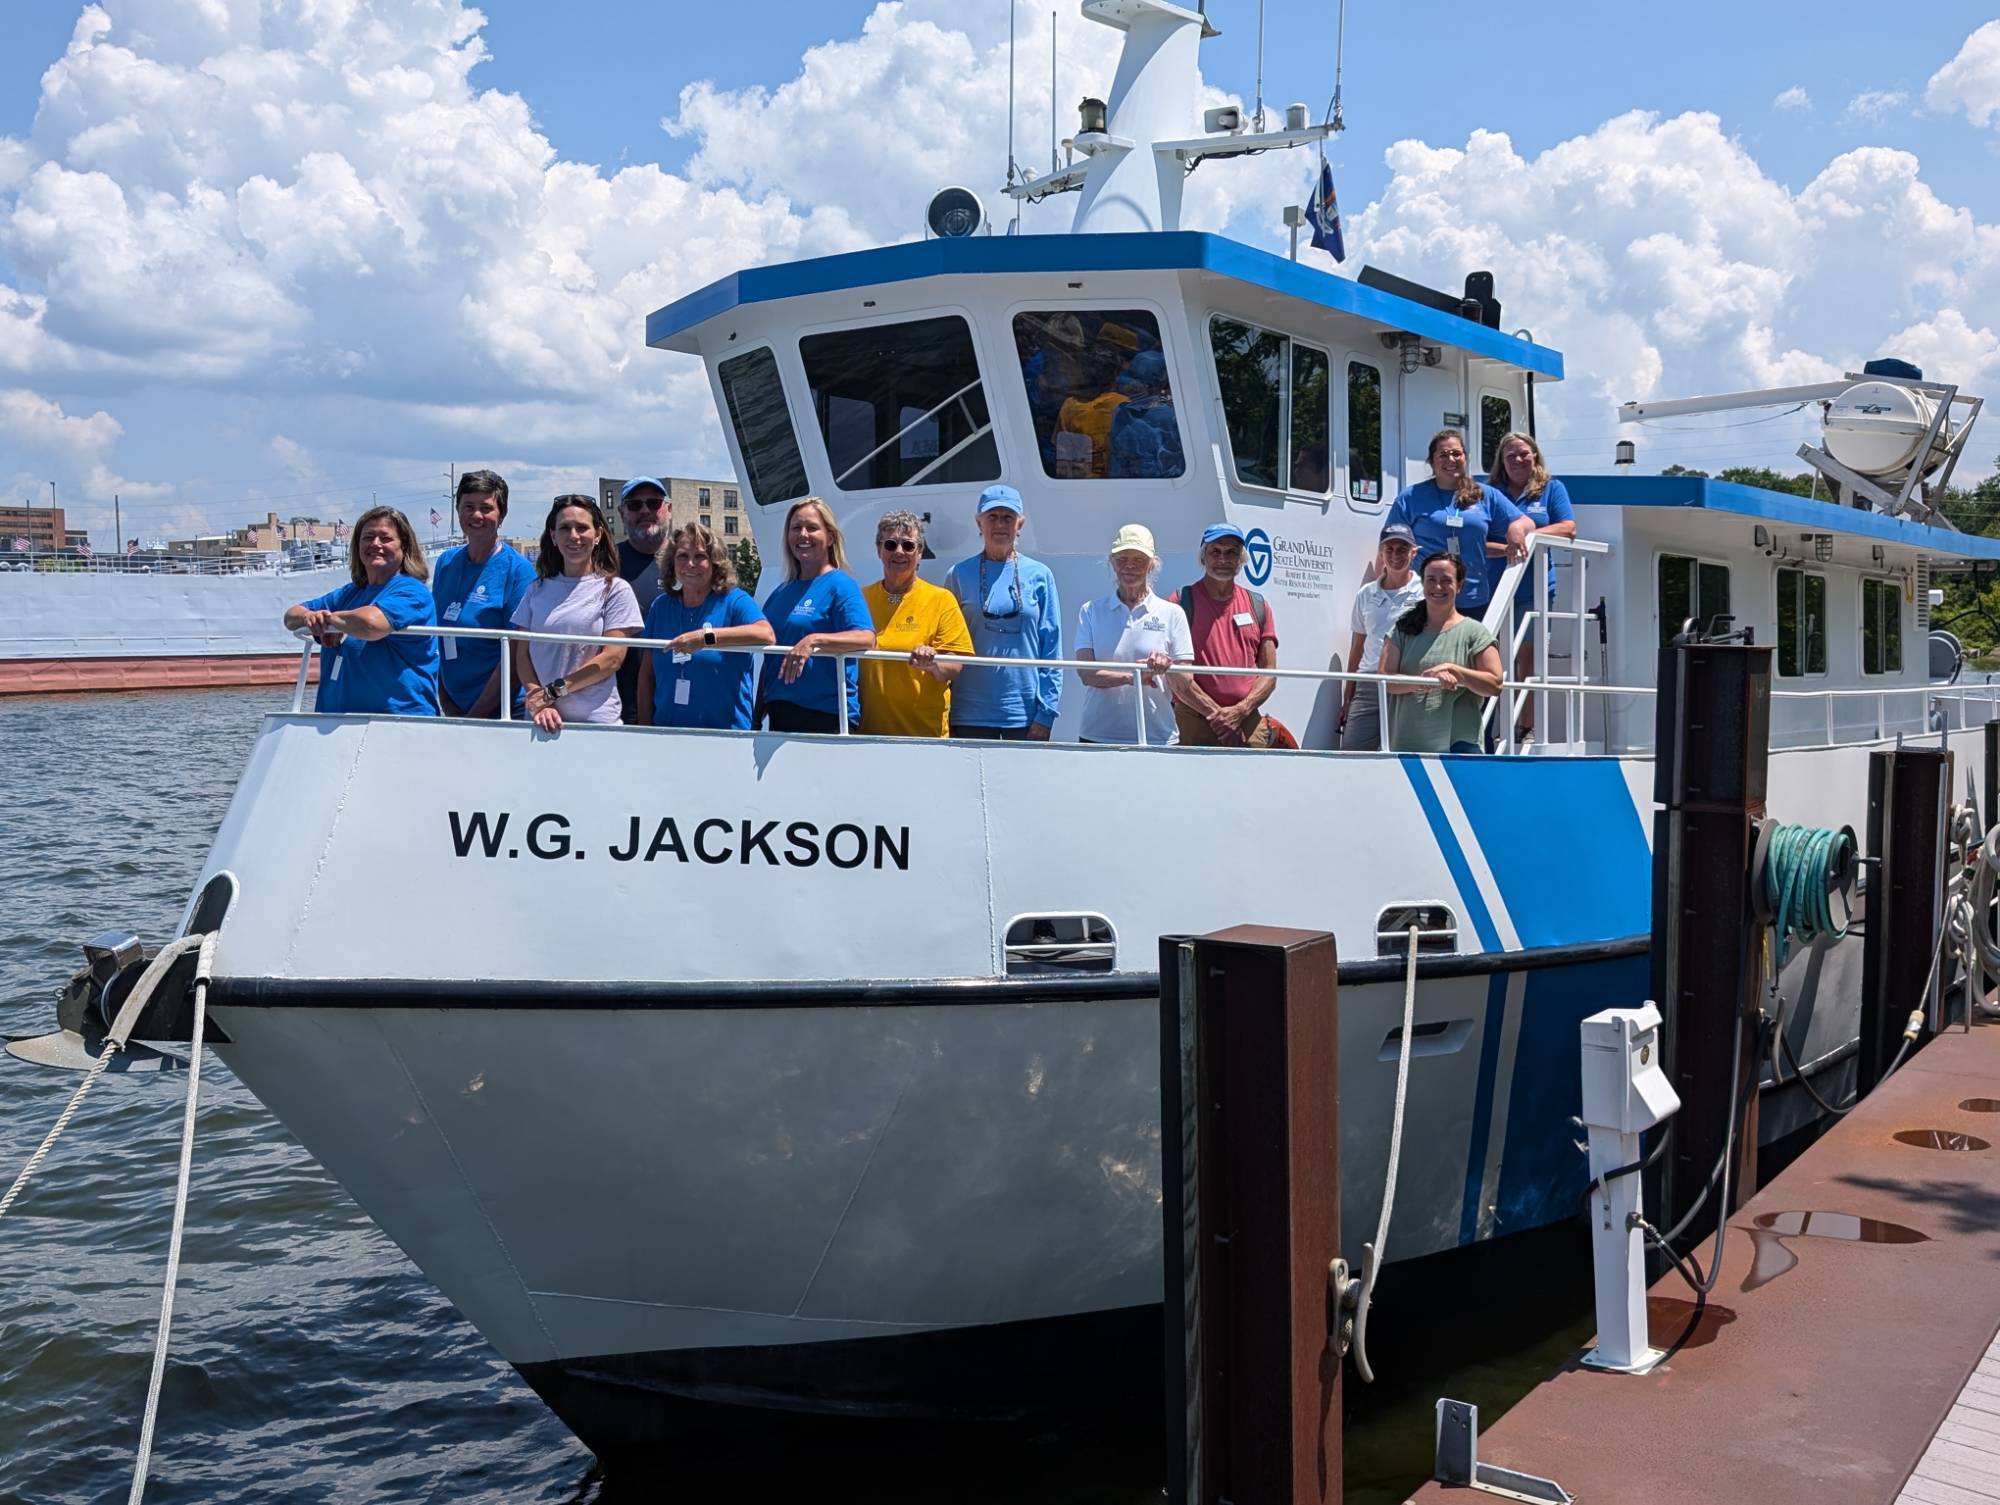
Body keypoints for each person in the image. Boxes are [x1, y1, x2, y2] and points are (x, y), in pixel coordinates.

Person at [283, 505, 440, 716]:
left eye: (385, 538)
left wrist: (331, 620)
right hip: (335, 722)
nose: (375, 544)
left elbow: (371, 624)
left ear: (404, 545)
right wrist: (311, 617)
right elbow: (291, 617)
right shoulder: (350, 594)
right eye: (368, 538)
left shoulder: (413, 592)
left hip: (398, 721)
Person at [509, 495, 643, 733]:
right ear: (553, 536)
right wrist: (538, 700)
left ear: (598, 534)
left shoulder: (615, 590)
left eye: (582, 528)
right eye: (565, 528)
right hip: (540, 723)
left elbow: (612, 658)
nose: (573, 536)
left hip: (594, 725)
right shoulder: (535, 590)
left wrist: (552, 692)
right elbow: (522, 654)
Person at [944, 484, 1062, 739]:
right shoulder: (958, 575)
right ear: (979, 523)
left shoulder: (1041, 575)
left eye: (1008, 517)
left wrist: (1046, 713)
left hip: (1024, 714)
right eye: (992, 517)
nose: (1000, 524)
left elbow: (1051, 648)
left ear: (1020, 525)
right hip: (969, 712)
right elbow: (947, 643)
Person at [635, 520, 772, 730]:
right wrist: (644, 729)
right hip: (667, 732)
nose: (690, 564)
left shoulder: (734, 601)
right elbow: (647, 674)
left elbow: (766, 634)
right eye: (683, 556)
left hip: (725, 735)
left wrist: (705, 638)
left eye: (700, 556)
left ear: (715, 562)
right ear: (672, 562)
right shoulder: (661, 606)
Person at [1486, 430, 1576, 745]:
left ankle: (1525, 729)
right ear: (1501, 461)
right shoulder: (1490, 492)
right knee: (1495, 662)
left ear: (1535, 455)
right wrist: (1507, 548)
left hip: (1536, 588)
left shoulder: (1552, 489)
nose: (1518, 459)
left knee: (1527, 660)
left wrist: (1526, 537)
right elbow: (1478, 540)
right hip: (1494, 589)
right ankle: (1495, 728)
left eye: (1523, 453)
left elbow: (1568, 527)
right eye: (1510, 455)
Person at [757, 496, 876, 733]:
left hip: (827, 715)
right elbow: (770, 659)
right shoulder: (781, 592)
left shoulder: (840, 586)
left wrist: (813, 641)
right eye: (796, 528)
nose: (803, 535)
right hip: (780, 713)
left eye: (812, 528)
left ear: (830, 537)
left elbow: (866, 638)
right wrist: (756, 714)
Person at [1384, 429, 1532, 615]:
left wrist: (1516, 528)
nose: (1451, 459)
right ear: (1432, 461)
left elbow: (1526, 521)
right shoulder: (1411, 497)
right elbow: (1389, 544)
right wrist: (1383, 589)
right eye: (1443, 454)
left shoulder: (1485, 494)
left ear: (1465, 458)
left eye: (1456, 453)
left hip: (1473, 599)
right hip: (1423, 598)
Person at [430, 469, 536, 717]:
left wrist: (474, 718)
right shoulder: (446, 563)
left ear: (502, 515)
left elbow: (516, 656)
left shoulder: (517, 571)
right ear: (457, 510)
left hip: (504, 712)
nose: (476, 515)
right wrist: (448, 705)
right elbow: (440, 637)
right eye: (468, 506)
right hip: (455, 709)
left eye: (486, 508)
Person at [1075, 523, 1192, 745]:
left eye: (1139, 559)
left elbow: (1185, 681)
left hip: (1157, 736)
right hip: (1098, 734)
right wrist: (1134, 678)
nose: (1129, 565)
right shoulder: (1090, 611)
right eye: (1122, 558)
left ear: (1152, 564)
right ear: (1112, 562)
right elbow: (1086, 673)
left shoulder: (1172, 613)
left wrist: (1167, 666)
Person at [860, 510, 974, 738]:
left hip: (926, 737)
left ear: (920, 552)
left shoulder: (941, 600)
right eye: (890, 544)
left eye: (908, 545)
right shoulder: (861, 599)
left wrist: (933, 662)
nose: (899, 551)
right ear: (879, 550)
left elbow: (955, 666)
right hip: (868, 735)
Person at [1167, 523, 1280, 747]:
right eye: (1215, 552)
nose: (1223, 559)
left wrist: (1240, 711)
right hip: (1195, 719)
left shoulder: (1258, 605)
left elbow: (1269, 674)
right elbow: (1175, 674)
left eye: (1231, 553)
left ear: (1241, 559)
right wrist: (1218, 716)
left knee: (1256, 770)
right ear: (1203, 557)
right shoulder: (1180, 603)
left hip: (1246, 720)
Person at [1381, 552, 1504, 754]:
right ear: (1423, 584)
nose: (1438, 587)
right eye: (1431, 580)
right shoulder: (1401, 629)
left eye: (1446, 581)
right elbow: (1385, 679)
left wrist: (1455, 671)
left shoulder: (1475, 632)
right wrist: (1425, 681)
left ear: (1460, 586)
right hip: (1407, 745)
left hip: (1460, 747)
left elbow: (1495, 684)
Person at [1339, 523, 1424, 751]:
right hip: (1369, 682)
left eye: (1402, 549)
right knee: (1352, 754)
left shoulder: (1425, 592)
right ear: (1381, 553)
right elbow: (1358, 646)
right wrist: (1348, 694)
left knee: (1406, 755)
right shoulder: (1366, 593)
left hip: (1408, 681)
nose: (1395, 555)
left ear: (1414, 553)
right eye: (1389, 549)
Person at [613, 477, 671, 724]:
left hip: (677, 700)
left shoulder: (689, 562)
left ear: (668, 509)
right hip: (619, 701)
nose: (645, 511)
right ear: (622, 513)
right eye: (635, 505)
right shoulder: (606, 562)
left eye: (654, 503)